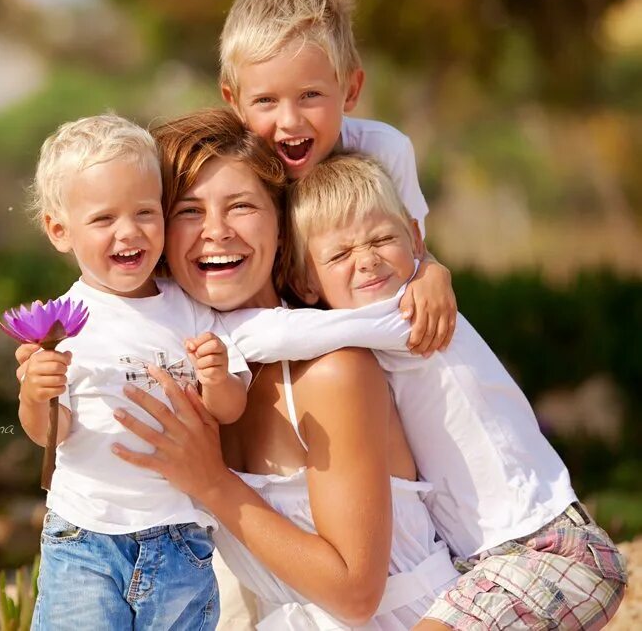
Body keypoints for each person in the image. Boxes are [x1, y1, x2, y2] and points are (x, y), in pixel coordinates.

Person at [142, 151, 628, 629]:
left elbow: (285, 332)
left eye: (382, 240)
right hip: (479, 562)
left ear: (414, 239)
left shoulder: (412, 313)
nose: (368, 261)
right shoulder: (355, 331)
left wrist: (219, 334)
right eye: (340, 254)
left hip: (540, 545)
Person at [22, 110, 461, 629]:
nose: (216, 232)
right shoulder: (178, 361)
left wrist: (210, 481)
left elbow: (356, 596)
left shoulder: (332, 372)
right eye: (188, 210)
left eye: (242, 206)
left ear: (281, 221)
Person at [19, 113, 251, 631]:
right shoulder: (60, 323)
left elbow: (230, 409)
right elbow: (50, 436)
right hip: (86, 539)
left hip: (180, 539)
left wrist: (217, 380)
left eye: (145, 212)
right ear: (60, 230)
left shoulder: (190, 308)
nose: (129, 232)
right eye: (104, 220)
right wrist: (36, 396)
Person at [217, 0, 456, 357]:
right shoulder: (232, 170)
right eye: (265, 101)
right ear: (234, 101)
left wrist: (431, 272)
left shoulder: (384, 150)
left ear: (351, 89)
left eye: (310, 95)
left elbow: (410, 251)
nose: (290, 121)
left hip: (371, 331)